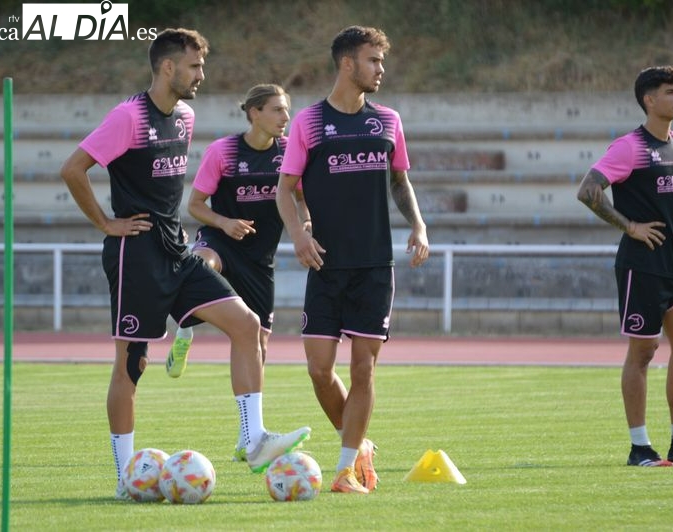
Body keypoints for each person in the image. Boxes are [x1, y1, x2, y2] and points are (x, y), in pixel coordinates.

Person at [59, 28, 311, 500]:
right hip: (136, 255)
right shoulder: (128, 116)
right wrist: (105, 224)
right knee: (131, 366)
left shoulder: (187, 117)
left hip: (176, 250)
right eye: (195, 66)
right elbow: (73, 169)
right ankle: (124, 477)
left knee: (247, 324)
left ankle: (253, 440)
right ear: (169, 67)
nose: (202, 74)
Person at [276, 25, 430, 494]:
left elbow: (400, 181)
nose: (380, 70)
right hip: (325, 264)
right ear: (348, 64)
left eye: (381, 62)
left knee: (364, 369)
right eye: (373, 61)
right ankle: (359, 445)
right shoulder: (308, 122)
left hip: (374, 266)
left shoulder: (388, 121)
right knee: (320, 370)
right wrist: (298, 235)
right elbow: (284, 190)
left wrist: (419, 226)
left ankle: (344, 469)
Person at [168, 83, 309, 461]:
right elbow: (195, 205)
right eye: (278, 110)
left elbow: (300, 198)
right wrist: (225, 222)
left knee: (258, 347)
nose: (285, 117)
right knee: (202, 266)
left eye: (287, 110)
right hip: (220, 240)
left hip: (259, 260)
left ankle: (247, 436)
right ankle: (184, 328)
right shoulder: (224, 151)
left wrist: (306, 223)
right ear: (254, 113)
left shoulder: (289, 153)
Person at [577, 65, 673, 467]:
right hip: (642, 268)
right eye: (671, 91)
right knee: (644, 352)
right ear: (649, 100)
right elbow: (588, 190)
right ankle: (639, 448)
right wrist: (630, 226)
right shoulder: (629, 147)